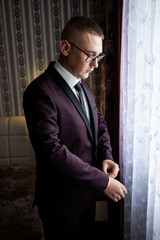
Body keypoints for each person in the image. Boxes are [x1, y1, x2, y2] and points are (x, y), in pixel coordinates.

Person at [23, 16, 127, 240]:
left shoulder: (83, 85)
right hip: (60, 202)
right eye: (90, 55)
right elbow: (52, 152)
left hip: (85, 194)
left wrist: (106, 155)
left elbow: (98, 123)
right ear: (65, 47)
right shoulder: (40, 92)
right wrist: (104, 182)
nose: (96, 64)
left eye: (99, 56)